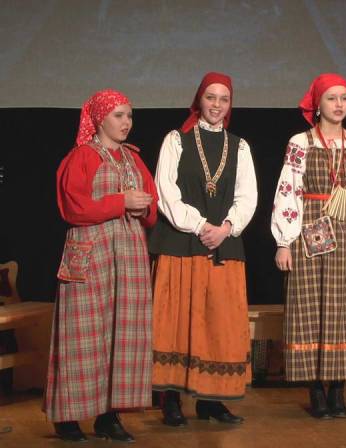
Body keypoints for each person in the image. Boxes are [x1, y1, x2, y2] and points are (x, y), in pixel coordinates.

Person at [44, 89, 158, 442]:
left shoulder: (133, 158)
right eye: (119, 116)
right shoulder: (82, 156)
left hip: (128, 256)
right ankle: (67, 417)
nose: (127, 122)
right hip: (92, 255)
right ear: (99, 119)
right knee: (83, 335)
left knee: (122, 336)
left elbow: (152, 206)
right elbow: (73, 207)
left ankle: (109, 417)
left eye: (129, 115)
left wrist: (143, 207)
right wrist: (121, 201)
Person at [149, 72, 257, 426]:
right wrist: (199, 226)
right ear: (199, 100)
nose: (217, 105)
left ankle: (212, 400)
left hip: (223, 244)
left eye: (224, 99)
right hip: (181, 243)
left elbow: (247, 196)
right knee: (177, 322)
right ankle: (171, 400)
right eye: (211, 97)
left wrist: (225, 228)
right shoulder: (176, 140)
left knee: (218, 323)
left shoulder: (239, 146)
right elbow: (165, 190)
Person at [271, 73, 346, 419]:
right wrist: (284, 241)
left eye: (344, 98)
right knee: (311, 306)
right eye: (332, 98)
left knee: (345, 308)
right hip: (311, 228)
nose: (339, 104)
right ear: (317, 104)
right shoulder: (301, 142)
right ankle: (315, 388)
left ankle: (339, 388)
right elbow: (288, 190)